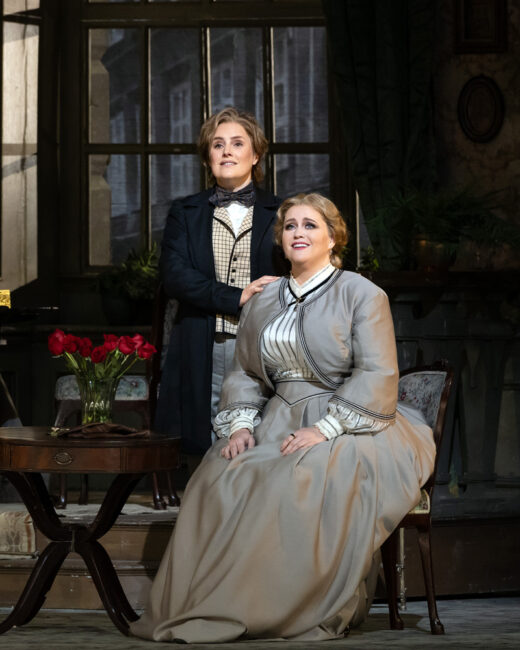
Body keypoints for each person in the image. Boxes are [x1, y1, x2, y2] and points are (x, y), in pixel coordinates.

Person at [131, 193, 436, 643]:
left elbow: (376, 372)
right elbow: (245, 372)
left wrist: (325, 429)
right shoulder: (264, 299)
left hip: (350, 419)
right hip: (277, 416)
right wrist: (239, 426)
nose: (298, 233)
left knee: (299, 477)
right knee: (219, 474)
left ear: (333, 237)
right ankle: (216, 604)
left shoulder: (361, 293)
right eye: (290, 226)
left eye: (310, 225)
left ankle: (282, 607)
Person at [155, 107, 283, 456]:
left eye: (238, 143)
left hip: (265, 344)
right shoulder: (185, 212)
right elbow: (175, 276)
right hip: (205, 341)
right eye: (217, 144)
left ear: (255, 155)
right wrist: (236, 296)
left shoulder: (283, 212)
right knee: (207, 441)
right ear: (207, 157)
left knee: (264, 438)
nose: (227, 151)